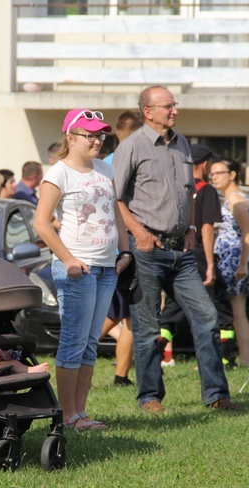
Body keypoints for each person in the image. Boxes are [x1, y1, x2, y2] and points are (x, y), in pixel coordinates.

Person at [113, 85, 243, 413]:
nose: (175, 111)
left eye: (175, 105)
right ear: (148, 112)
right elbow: (115, 199)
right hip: (146, 249)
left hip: (180, 253)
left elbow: (186, 193)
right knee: (147, 328)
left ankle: (216, 396)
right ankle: (150, 398)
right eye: (168, 106)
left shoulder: (182, 142)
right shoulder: (132, 146)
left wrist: (188, 228)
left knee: (208, 316)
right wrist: (138, 233)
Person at [34, 107, 131, 432]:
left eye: (100, 134)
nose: (97, 140)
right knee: (74, 342)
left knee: (90, 341)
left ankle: (80, 413)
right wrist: (69, 259)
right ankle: (66, 415)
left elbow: (115, 211)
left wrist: (126, 251)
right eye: (89, 135)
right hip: (78, 269)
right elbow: (41, 223)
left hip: (106, 267)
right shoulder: (58, 173)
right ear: (70, 137)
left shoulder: (105, 168)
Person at [158, 143, 235, 368]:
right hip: (200, 251)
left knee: (173, 305)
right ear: (203, 164)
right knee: (220, 303)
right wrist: (211, 264)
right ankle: (225, 357)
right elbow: (207, 228)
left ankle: (158, 350)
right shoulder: (206, 190)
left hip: (176, 250)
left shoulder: (176, 187)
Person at [102, 109, 143, 385]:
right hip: (129, 245)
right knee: (122, 313)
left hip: (109, 247)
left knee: (124, 314)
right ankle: (81, 348)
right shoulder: (135, 159)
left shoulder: (103, 162)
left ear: (117, 132)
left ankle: (122, 375)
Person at [211, 158, 249, 367]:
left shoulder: (237, 200)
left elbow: (248, 232)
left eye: (219, 173)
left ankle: (245, 359)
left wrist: (243, 263)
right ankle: (235, 357)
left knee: (238, 312)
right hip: (227, 259)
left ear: (232, 175)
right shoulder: (228, 199)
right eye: (212, 174)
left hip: (235, 260)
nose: (214, 178)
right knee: (230, 312)